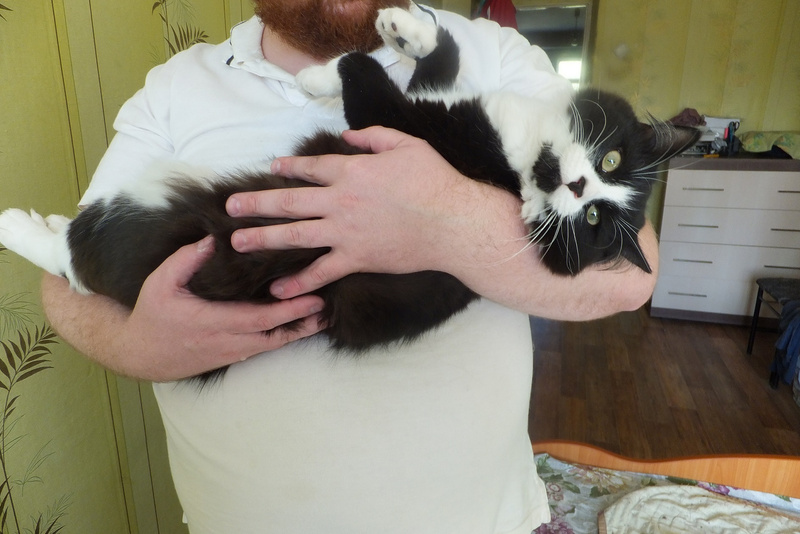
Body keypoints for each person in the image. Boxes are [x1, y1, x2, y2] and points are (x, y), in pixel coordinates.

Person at [41, 1, 658, 532]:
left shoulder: (494, 52)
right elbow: (67, 269)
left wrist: (442, 221)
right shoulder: (173, 87)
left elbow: (633, 276)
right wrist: (138, 346)